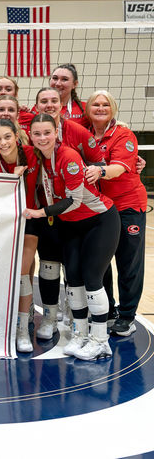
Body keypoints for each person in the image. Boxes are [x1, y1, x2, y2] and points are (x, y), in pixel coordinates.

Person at [23, 113, 119, 361]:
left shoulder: (68, 156)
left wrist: (39, 212)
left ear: (56, 132)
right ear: (31, 136)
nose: (42, 137)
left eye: (47, 132)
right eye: (37, 133)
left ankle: (100, 341)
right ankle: (80, 334)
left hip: (99, 221)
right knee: (73, 278)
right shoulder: (37, 158)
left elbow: (74, 201)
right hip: (71, 227)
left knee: (91, 277)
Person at [81, 91, 145, 337]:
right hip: (100, 207)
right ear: (87, 110)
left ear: (113, 108)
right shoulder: (82, 131)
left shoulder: (123, 134)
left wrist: (101, 171)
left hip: (128, 205)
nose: (100, 107)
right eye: (95, 104)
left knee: (128, 263)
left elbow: (119, 167)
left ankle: (127, 316)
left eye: (105, 104)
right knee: (100, 262)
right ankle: (107, 312)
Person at [0, 119, 38, 352]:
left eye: (7, 137)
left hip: (31, 219)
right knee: (3, 274)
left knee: (23, 274)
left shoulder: (32, 154)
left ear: (17, 135)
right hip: (5, 223)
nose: (3, 143)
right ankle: (4, 320)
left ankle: (22, 329)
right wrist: (11, 180)